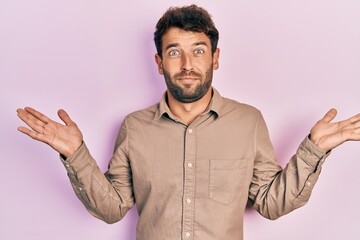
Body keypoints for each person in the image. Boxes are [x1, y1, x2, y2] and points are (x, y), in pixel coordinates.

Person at [16, 4, 360, 240]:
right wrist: (76, 153)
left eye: (198, 50)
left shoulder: (248, 122)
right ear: (159, 62)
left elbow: (271, 203)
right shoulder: (134, 127)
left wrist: (315, 149)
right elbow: (112, 209)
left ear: (216, 57)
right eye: (174, 51)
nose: (187, 65)